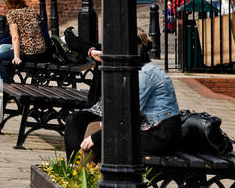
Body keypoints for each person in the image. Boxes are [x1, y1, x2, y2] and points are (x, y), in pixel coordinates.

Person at [63, 28, 181, 163]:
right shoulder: (137, 69)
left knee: (105, 137)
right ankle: (78, 173)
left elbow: (127, 116)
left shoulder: (145, 74)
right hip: (150, 129)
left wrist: (95, 137)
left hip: (159, 136)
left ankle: (84, 176)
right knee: (87, 125)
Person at [0, 0, 45, 86]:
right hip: (41, 51)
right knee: (4, 52)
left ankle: (8, 86)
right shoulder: (31, 10)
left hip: (28, 53)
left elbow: (15, 37)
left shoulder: (12, 13)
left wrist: (17, 56)